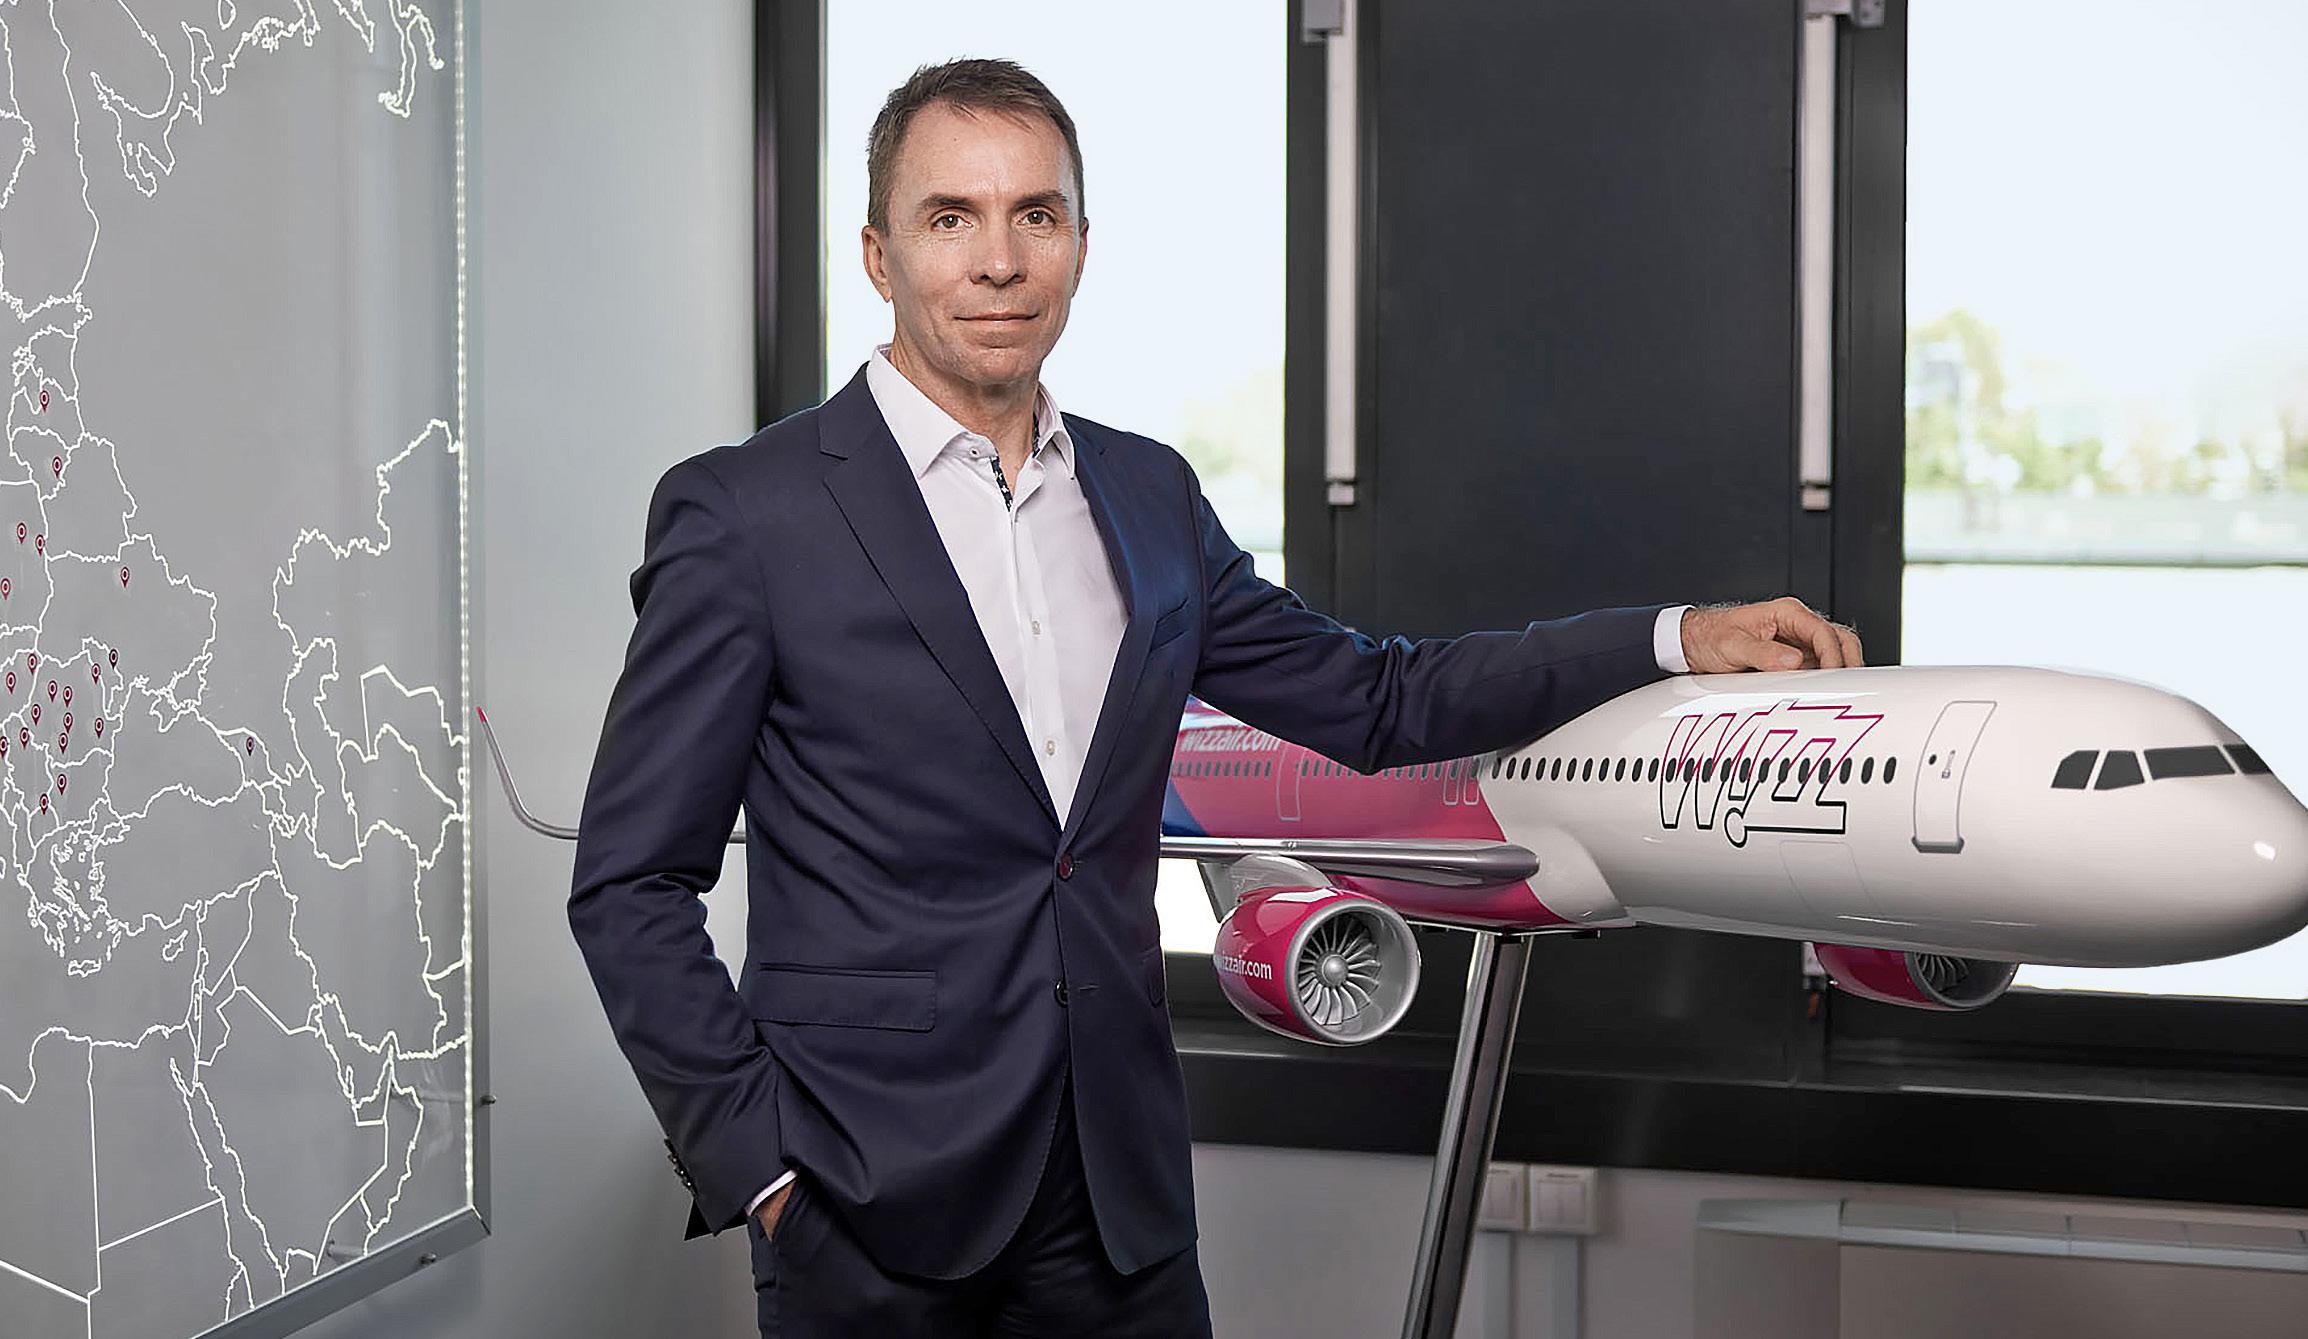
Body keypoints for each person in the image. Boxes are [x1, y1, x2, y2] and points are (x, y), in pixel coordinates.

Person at [567, 56, 1862, 1339]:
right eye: (950, 217)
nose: (1000, 261)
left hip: (1118, 1213)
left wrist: (1671, 637)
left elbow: (1381, 700)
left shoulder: (1148, 498)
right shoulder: (748, 513)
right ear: (877, 254)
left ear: (1082, 246)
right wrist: (763, 1171)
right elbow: (630, 882)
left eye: (1037, 215)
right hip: (863, 1211)